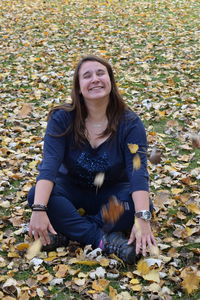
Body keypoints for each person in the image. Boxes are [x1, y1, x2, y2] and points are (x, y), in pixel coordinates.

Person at [27, 55, 156, 264]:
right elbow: (49, 165)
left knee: (138, 205)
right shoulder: (62, 118)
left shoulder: (130, 123)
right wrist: (39, 209)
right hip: (71, 191)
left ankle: (67, 231)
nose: (95, 79)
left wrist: (143, 218)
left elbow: (137, 172)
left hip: (112, 195)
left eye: (100, 73)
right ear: (78, 87)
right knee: (38, 196)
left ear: (110, 81)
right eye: (87, 76)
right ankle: (102, 239)